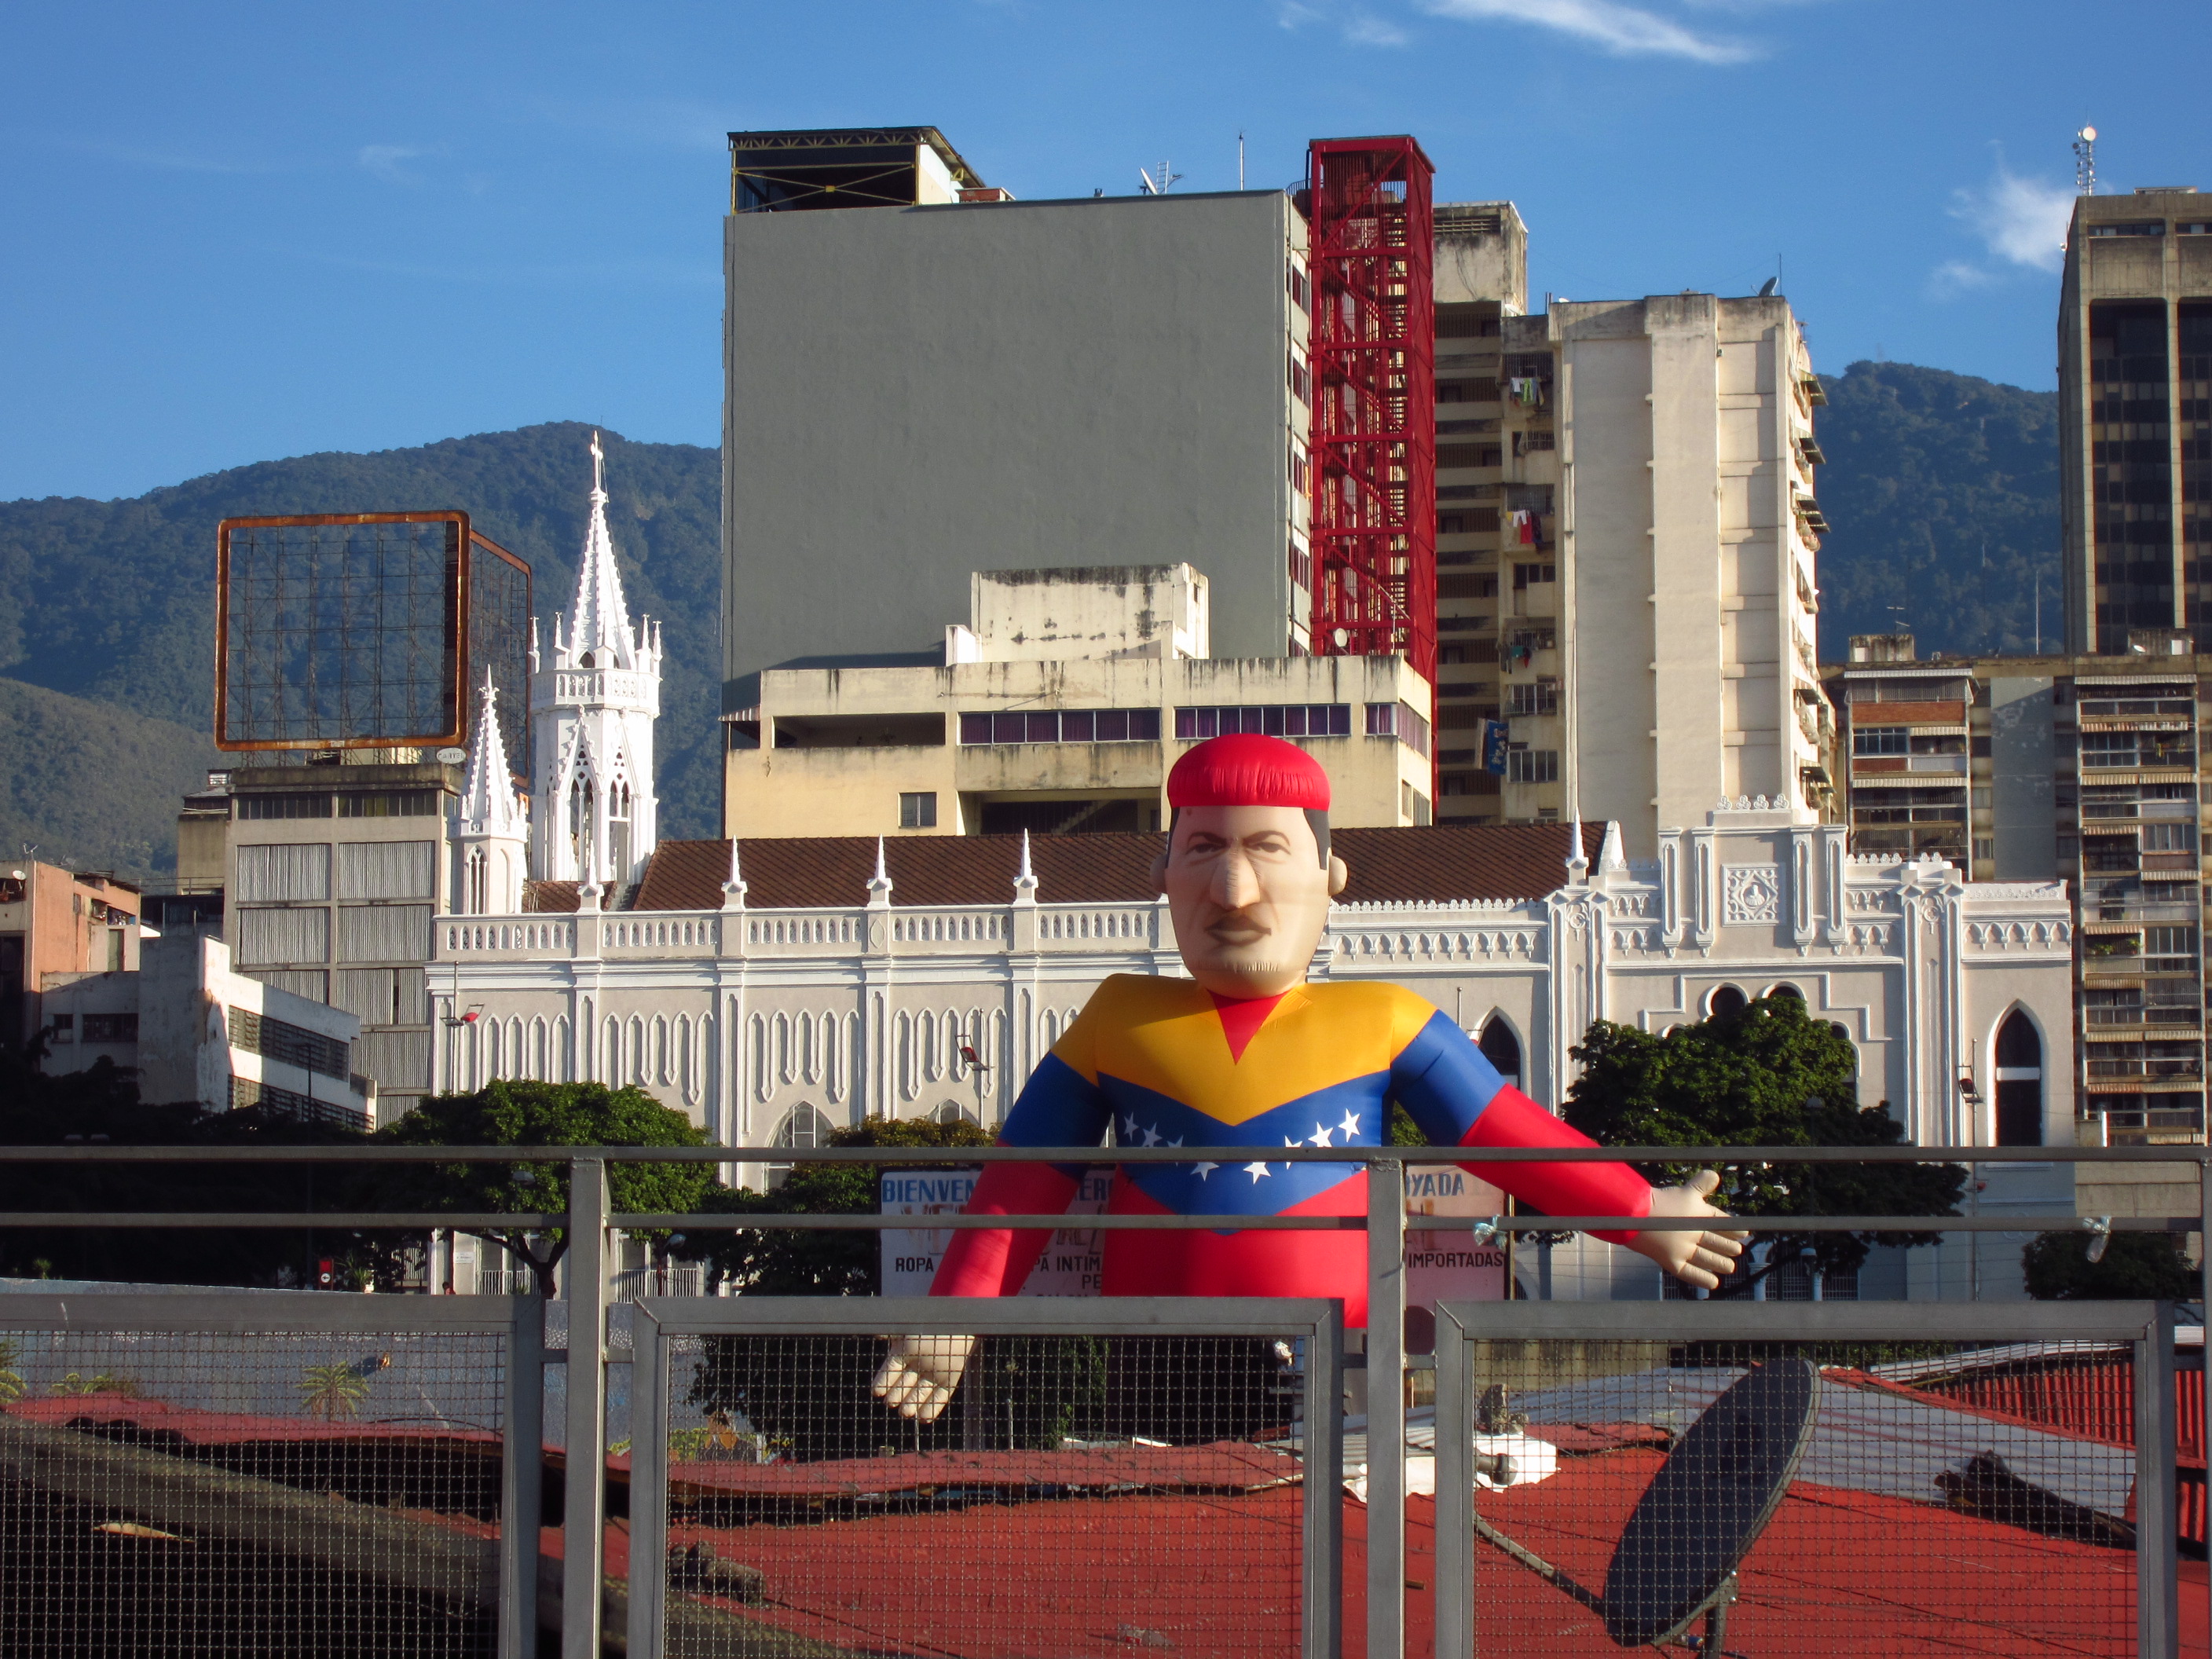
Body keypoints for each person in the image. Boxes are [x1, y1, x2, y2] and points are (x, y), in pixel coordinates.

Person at [873, 733, 1744, 1421]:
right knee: (1165, 1537)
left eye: (1267, 849)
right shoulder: (1117, 1018)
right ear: (1162, 875)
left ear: (1330, 878)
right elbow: (1023, 1178)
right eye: (1203, 848)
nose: (1233, 890)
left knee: (1333, 1539)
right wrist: (957, 1313)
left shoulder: (1384, 1021)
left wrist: (1638, 1211)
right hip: (1152, 1350)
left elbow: (1502, 1133)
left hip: (1341, 1350)